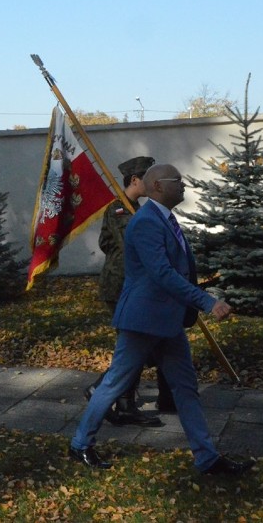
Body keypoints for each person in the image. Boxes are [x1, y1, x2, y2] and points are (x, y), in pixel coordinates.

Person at [69, 164, 255, 476]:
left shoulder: (164, 217)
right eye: (177, 180)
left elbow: (179, 270)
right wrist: (206, 302)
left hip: (166, 319)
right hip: (143, 319)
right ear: (157, 185)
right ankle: (79, 444)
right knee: (115, 383)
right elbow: (163, 274)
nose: (183, 185)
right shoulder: (144, 222)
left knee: (185, 387)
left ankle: (207, 458)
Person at [85, 156, 173, 427]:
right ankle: (102, 390)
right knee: (137, 346)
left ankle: (124, 405)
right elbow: (132, 247)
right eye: (147, 179)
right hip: (121, 287)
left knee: (138, 344)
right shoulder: (120, 210)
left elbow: (105, 243)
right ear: (135, 181)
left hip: (129, 285)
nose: (152, 184)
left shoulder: (134, 208)